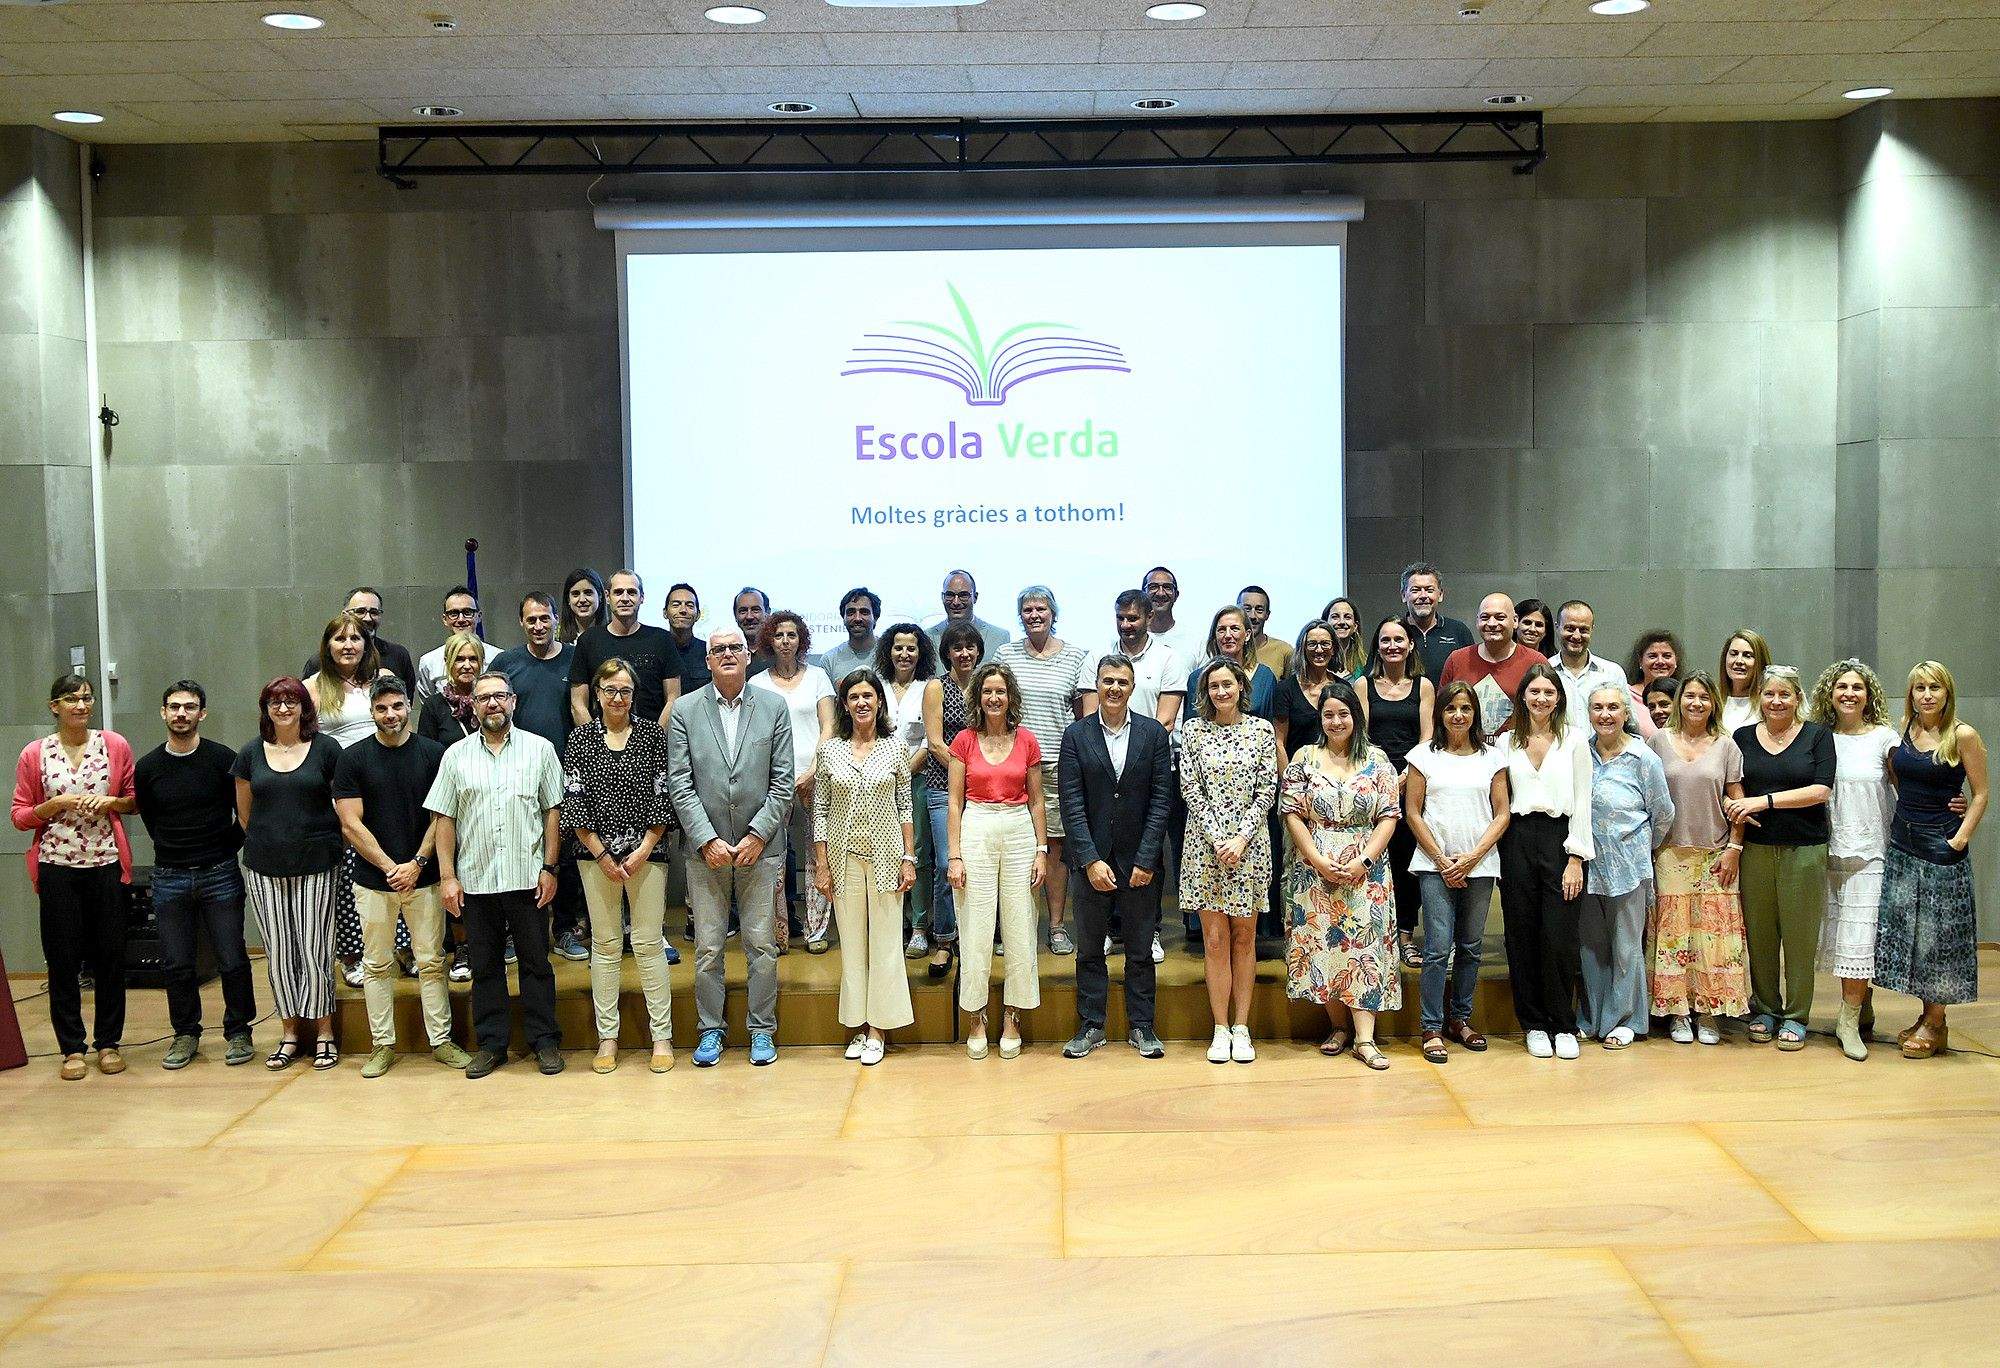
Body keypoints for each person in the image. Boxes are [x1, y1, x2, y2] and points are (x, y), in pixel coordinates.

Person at [425, 670, 567, 1079]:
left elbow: (552, 812)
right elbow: (444, 819)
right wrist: (448, 877)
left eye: (500, 696)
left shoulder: (540, 750)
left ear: (513, 702)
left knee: (536, 963)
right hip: (476, 880)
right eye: (484, 697)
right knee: (485, 966)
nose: (493, 703)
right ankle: (491, 1045)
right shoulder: (455, 756)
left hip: (528, 878)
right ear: (472, 705)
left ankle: (544, 1042)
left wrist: (549, 868)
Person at [666, 628, 794, 1069]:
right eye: (717, 649)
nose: (726, 654)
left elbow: (783, 781)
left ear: (747, 655)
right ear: (707, 660)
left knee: (761, 945)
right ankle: (710, 1030)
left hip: (761, 848)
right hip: (706, 852)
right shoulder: (685, 710)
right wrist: (706, 839)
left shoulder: (773, 706)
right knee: (707, 948)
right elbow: (679, 783)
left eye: (734, 648)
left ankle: (762, 1030)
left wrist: (758, 835)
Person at [333, 676, 467, 1077]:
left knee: (432, 962)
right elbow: (350, 823)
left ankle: (441, 1041)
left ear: (409, 706)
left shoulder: (434, 754)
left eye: (396, 706)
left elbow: (443, 814)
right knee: (376, 965)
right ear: (372, 712)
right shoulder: (352, 758)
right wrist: (390, 867)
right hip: (374, 881)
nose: (390, 714)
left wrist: (417, 863)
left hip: (423, 877)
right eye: (381, 708)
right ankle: (382, 1045)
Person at [12, 674, 137, 1080]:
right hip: (57, 867)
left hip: (106, 863)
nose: (81, 706)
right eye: (71, 699)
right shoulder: (35, 753)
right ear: (55, 707)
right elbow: (20, 815)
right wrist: (55, 804)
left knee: (110, 957)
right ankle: (71, 1048)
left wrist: (111, 801)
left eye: (86, 698)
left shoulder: (114, 745)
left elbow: (134, 801)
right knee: (63, 960)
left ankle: (109, 1042)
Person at [561, 659, 675, 1076]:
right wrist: (602, 855)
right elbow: (573, 800)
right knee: (606, 945)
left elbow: (663, 795)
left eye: (625, 690)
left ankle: (661, 1037)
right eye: (609, 689)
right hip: (596, 857)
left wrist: (644, 848)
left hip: (648, 853)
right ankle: (607, 1037)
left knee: (648, 943)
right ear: (596, 694)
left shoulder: (652, 735)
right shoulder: (580, 739)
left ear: (634, 695)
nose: (617, 697)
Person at [133, 680, 255, 1069]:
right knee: (176, 962)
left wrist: (224, 849)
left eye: (189, 707)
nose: (181, 714)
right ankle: (185, 1033)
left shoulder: (223, 759)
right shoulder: (147, 767)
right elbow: (150, 819)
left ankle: (239, 1031)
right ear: (163, 713)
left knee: (231, 957)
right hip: (169, 876)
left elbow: (244, 814)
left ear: (202, 713)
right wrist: (174, 850)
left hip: (219, 873)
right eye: (174, 707)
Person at [1281, 680, 1402, 1070]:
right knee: (1324, 947)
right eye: (1329, 714)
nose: (1336, 721)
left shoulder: (1378, 760)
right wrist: (1316, 859)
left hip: (1365, 871)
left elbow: (1389, 816)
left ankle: (1365, 1039)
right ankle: (1338, 1027)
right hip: (1314, 870)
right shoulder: (1304, 757)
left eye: (1343, 714)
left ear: (1356, 716)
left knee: (1364, 949)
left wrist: (1364, 860)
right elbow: (1291, 812)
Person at [1059, 654, 1173, 1060]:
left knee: (1140, 952)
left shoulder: (1153, 734)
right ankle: (1091, 1026)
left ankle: (1142, 1026)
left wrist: (1146, 858)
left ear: (1132, 687)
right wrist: (1089, 859)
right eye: (1108, 681)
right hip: (1091, 862)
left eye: (1122, 682)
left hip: (1140, 863)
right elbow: (1071, 802)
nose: (1114, 688)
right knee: (1090, 951)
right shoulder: (1076, 735)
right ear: (1097, 685)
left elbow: (1161, 800)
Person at [232, 677, 344, 1072]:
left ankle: (324, 1034)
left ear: (304, 707)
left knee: (315, 950)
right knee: (279, 952)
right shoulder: (249, 753)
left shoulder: (327, 749)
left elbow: (341, 805)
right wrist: (273, 840)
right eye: (275, 702)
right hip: (265, 865)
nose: (283, 709)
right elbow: (244, 814)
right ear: (265, 709)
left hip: (318, 862)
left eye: (291, 701)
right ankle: (290, 1034)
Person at [1877, 661, 1988, 1059]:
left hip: (1941, 847)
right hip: (1903, 844)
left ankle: (1936, 1021)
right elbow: (1898, 777)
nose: (1926, 695)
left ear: (1947, 693)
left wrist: (1960, 837)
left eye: (1934, 688)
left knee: (1938, 937)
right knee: (1913, 934)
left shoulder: (1963, 735)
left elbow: (1981, 793)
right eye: (1919, 688)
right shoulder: (1905, 729)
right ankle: (1928, 1016)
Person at [1724, 664, 1834, 1052]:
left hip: (1804, 849)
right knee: (1760, 933)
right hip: (1755, 849)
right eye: (1769, 694)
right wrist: (1732, 803)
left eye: (1784, 694)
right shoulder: (1742, 737)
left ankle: (1796, 1015)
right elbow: (1729, 784)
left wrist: (1763, 802)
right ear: (1760, 698)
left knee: (1800, 937)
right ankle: (1766, 1009)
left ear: (1797, 698)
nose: (1776, 701)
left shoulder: (1817, 736)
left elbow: (1820, 791)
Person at [813, 668, 917, 1067]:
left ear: (879, 702)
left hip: (887, 858)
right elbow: (820, 811)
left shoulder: (895, 748)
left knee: (886, 945)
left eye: (868, 696)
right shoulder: (830, 750)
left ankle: (878, 1030)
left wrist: (909, 858)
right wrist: (822, 865)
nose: (861, 703)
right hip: (843, 861)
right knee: (853, 947)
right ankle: (858, 1024)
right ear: (845, 704)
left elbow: (905, 806)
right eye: (854, 696)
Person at [1180, 659, 1278, 1064]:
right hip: (1205, 847)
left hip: (1249, 846)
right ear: (1206, 692)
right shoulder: (1193, 730)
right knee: (1215, 939)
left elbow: (1267, 789)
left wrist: (1239, 838)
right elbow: (1190, 787)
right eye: (1214, 686)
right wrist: (1219, 837)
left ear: (1241, 687)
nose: (1221, 692)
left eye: (1228, 684)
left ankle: (1242, 1027)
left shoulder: (1261, 730)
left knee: (1244, 937)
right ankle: (1220, 1029)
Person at [946, 662, 1047, 1060]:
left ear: (1010, 697)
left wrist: (1041, 850)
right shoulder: (963, 741)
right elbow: (954, 803)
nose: (993, 698)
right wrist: (955, 855)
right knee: (975, 926)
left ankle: (1012, 1016)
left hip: (1019, 829)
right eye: (987, 691)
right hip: (977, 826)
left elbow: (1037, 801)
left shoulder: (1027, 740)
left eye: (1000, 691)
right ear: (978, 697)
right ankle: (976, 1017)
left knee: (1020, 925)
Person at [1405, 680, 1508, 1064]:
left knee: (1470, 947)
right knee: (1436, 948)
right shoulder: (1423, 756)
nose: (1458, 715)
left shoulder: (1493, 757)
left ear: (1475, 713)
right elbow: (1413, 812)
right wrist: (1442, 859)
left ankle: (1460, 1019)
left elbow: (1502, 813)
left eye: (1466, 708)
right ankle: (1431, 1026)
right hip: (1434, 866)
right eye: (1451, 708)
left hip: (1479, 865)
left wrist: (1472, 858)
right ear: (1440, 714)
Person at [1647, 672, 1751, 1046]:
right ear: (1679, 701)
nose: (1696, 703)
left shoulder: (1726, 746)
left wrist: (1735, 848)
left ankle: (1709, 1011)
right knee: (1673, 936)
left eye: (1704, 697)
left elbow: (1738, 802)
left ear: (1713, 704)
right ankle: (1677, 1013)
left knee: (1713, 938)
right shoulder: (1658, 741)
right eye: (1690, 696)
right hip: (1670, 852)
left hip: (1715, 853)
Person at [1498, 663, 1593, 1060]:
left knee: (1559, 936)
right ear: (1522, 696)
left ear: (1559, 698)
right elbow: (1499, 801)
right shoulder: (1506, 742)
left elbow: (1584, 800)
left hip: (1560, 839)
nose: (1540, 699)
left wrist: (1576, 857)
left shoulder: (1575, 739)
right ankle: (1534, 1023)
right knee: (1521, 934)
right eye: (1534, 691)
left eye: (1548, 692)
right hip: (1517, 839)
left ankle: (1562, 1023)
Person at [1805, 659, 1897, 1060]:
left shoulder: (1884, 738)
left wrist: (1951, 803)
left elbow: (1909, 784)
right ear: (1830, 693)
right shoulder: (1818, 737)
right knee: (1842, 941)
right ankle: (1863, 1004)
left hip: (1872, 850)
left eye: (1857, 687)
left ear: (1868, 695)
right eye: (1841, 686)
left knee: (1859, 940)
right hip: (1827, 849)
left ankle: (1847, 1020)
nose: (1849, 693)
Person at [995, 586, 1091, 956]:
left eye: (1041, 609)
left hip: (1056, 767)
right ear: (1020, 616)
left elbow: (1083, 719)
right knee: (1013, 849)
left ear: (1054, 613)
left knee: (1053, 849)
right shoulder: (1005, 655)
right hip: (1011, 767)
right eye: (1028, 610)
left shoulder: (1076, 657)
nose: (1034, 615)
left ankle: (1055, 926)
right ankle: (1016, 930)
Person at [1578, 684, 1673, 1050]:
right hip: (1588, 865)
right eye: (1598, 707)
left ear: (1626, 713)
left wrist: (1639, 846)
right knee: (1591, 947)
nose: (1605, 715)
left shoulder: (1643, 757)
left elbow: (1663, 813)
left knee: (1626, 947)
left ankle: (1626, 1021)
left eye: (1613, 707)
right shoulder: (1580, 753)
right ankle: (1592, 1017)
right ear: (1589, 713)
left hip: (1629, 867)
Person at [497, 592, 587, 962]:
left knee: (563, 856)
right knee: (518, 853)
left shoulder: (574, 658)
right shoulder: (507, 663)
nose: (538, 625)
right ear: (522, 622)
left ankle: (564, 929)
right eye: (531, 619)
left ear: (555, 619)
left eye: (544, 618)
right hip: (517, 774)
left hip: (566, 773)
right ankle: (514, 934)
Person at [751, 611, 836, 952]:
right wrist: (780, 776)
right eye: (779, 635)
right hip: (773, 782)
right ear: (769, 641)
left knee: (819, 856)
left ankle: (816, 932)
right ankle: (779, 933)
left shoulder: (818, 677)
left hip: (817, 777)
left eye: (791, 635)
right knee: (774, 859)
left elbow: (829, 727)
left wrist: (813, 771)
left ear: (801, 640)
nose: (785, 641)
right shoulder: (757, 683)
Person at [1359, 616, 1434, 968]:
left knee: (1406, 863)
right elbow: (1359, 736)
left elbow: (1427, 737)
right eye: (1385, 640)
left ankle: (1405, 936)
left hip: (1412, 782)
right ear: (1377, 646)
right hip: (1372, 782)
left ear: (1410, 645)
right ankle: (1374, 936)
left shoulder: (1423, 686)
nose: (1392, 646)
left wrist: (1406, 776)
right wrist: (1383, 776)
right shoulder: (1363, 685)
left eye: (1399, 639)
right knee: (1374, 859)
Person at [921, 623, 982, 980]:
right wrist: (968, 773)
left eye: (970, 647)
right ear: (947, 653)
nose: (964, 653)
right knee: (947, 862)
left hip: (984, 791)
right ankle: (944, 939)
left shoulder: (987, 684)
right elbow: (934, 743)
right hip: (944, 786)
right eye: (957, 648)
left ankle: (976, 937)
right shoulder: (936, 687)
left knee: (980, 865)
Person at [875, 624, 938, 962]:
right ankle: (891, 922)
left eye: (911, 648)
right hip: (876, 783)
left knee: (917, 852)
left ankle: (918, 926)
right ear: (888, 651)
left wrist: (902, 773)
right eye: (898, 647)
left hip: (917, 780)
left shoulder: (929, 687)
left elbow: (931, 740)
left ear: (920, 652)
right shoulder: (876, 686)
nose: (904, 654)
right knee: (884, 852)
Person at [568, 569, 683, 728]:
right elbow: (578, 704)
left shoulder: (662, 639)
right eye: (618, 592)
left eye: (632, 592)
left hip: (653, 740)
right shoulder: (588, 641)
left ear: (641, 598)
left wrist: (656, 738)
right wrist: (595, 741)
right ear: (607, 597)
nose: (625, 598)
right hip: (600, 740)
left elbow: (673, 700)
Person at [1440, 593, 1549, 737]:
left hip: (1517, 748)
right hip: (1465, 748)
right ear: (1477, 621)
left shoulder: (1535, 661)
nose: (1491, 624)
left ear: (1515, 621)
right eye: (1485, 617)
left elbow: (1549, 713)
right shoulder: (1457, 659)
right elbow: (1441, 710)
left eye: (1500, 617)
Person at [1553, 600, 1645, 737]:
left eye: (1583, 630)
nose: (1576, 636)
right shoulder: (1546, 671)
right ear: (1557, 627)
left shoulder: (1612, 673)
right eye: (1570, 629)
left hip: (1605, 750)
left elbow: (1630, 724)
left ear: (1592, 629)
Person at [302, 586, 417, 694]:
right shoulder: (318, 662)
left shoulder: (398, 655)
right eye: (360, 611)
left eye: (374, 612)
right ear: (344, 615)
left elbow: (405, 701)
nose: (368, 618)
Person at [1105, 588, 1187, 731]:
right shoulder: (1098, 656)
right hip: (1103, 744)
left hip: (1152, 744)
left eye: (1132, 619)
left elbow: (1166, 722)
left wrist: (1134, 745)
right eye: (1120, 618)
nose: (1124, 625)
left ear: (1149, 617)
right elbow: (1089, 717)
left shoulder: (1169, 659)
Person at [1185, 605, 1279, 728]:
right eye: (1221, 630)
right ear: (1215, 636)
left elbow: (1271, 724)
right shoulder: (1197, 678)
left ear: (1247, 635)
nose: (1228, 635)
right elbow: (1191, 726)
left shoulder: (1265, 676)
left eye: (1234, 629)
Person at [304, 610, 388, 747]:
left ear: (365, 645)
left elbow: (404, 728)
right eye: (340, 639)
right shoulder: (311, 687)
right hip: (338, 759)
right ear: (328, 647)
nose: (348, 646)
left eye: (355, 638)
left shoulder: (384, 678)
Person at [415, 587, 500, 702]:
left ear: (479, 616)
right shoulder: (429, 662)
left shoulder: (499, 657)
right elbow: (430, 705)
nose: (461, 619)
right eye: (454, 613)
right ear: (445, 619)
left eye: (467, 612)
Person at [1399, 561, 1474, 680]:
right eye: (1415, 590)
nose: (1423, 596)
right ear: (1404, 595)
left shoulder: (1459, 631)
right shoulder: (1394, 632)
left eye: (1429, 590)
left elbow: (1472, 676)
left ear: (1440, 595)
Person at [1275, 622, 1341, 753]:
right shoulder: (1285, 689)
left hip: (1336, 764)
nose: (1319, 650)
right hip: (1297, 764)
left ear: (1333, 649)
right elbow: (1279, 743)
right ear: (1303, 649)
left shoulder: (1343, 687)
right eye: (1312, 644)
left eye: (1325, 644)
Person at [419, 633, 487, 747]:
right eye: (459, 659)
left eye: (473, 659)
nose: (467, 666)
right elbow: (426, 751)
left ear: (481, 662)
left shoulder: (490, 701)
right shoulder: (433, 706)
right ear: (447, 661)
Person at [928, 569, 1011, 661]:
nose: (956, 602)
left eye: (963, 595)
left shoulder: (999, 638)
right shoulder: (928, 637)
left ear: (975, 597)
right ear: (942, 597)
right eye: (950, 595)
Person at [821, 587, 881, 681]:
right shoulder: (829, 660)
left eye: (864, 612)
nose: (857, 618)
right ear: (843, 618)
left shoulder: (891, 654)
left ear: (875, 618)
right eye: (851, 612)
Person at [1719, 629, 1771, 735]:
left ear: (1760, 662)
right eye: (1733, 654)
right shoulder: (1712, 701)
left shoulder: (1770, 703)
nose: (1739, 661)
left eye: (1747, 655)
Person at [1237, 585, 1292, 677]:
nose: (1252, 616)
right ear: (1237, 612)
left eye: (1259, 610)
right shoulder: (1227, 649)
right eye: (1247, 609)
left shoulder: (1284, 651)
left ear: (1267, 614)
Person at [1625, 629, 1683, 718]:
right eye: (1653, 656)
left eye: (1667, 656)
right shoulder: (1626, 696)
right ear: (1640, 661)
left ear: (1676, 661)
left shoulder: (1684, 696)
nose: (1660, 661)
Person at [1141, 565, 1194, 658]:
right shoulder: (1131, 639)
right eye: (1153, 587)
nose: (1160, 593)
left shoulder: (1194, 641)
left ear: (1176, 595)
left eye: (1167, 587)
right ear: (1143, 594)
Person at [666, 582, 709, 691]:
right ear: (665, 613)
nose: (683, 610)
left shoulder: (709, 651)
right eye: (676, 605)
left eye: (690, 606)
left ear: (698, 615)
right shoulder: (656, 650)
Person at [1320, 596, 1368, 681]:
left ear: (1355, 626)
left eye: (1347, 617)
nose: (1341, 622)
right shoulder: (1316, 663)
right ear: (1325, 623)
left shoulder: (1365, 666)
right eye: (1335, 617)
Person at [559, 568, 607, 645]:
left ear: (600, 596)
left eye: (588, 593)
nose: (582, 600)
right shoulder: (556, 638)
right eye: (575, 594)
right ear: (568, 599)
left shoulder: (612, 634)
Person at [733, 587, 773, 673]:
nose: (749, 617)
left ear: (768, 613)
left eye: (755, 610)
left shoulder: (781, 652)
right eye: (743, 611)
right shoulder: (728, 654)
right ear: (735, 616)